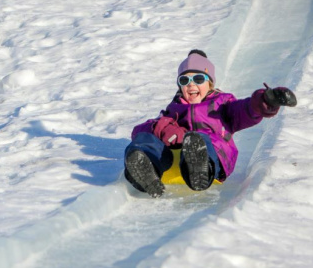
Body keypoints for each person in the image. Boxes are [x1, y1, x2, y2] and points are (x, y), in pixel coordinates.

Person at [124, 49, 297, 197]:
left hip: (211, 159)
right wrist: (160, 128)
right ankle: (146, 172)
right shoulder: (173, 109)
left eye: (198, 79)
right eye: (184, 81)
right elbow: (138, 132)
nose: (191, 85)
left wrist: (266, 100)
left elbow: (246, 109)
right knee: (145, 138)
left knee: (198, 139)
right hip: (174, 161)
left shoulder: (224, 105)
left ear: (210, 82)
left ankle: (200, 170)